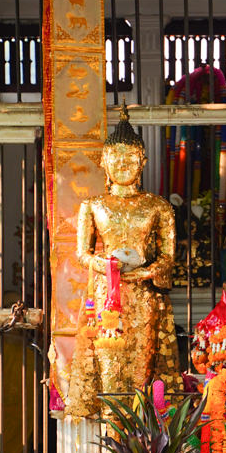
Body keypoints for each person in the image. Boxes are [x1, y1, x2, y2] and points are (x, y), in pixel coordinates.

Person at [65, 104, 182, 417]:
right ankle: (111, 433)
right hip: (108, 297)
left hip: (145, 298)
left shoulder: (158, 207)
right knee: (109, 365)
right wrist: (107, 266)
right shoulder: (92, 205)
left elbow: (169, 257)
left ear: (142, 161)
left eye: (130, 157)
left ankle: (143, 435)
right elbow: (82, 253)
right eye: (116, 157)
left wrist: (144, 273)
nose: (123, 163)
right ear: (104, 161)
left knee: (143, 368)